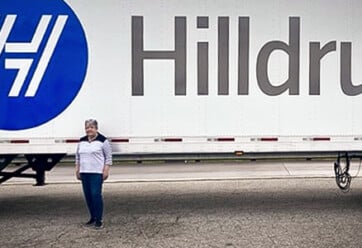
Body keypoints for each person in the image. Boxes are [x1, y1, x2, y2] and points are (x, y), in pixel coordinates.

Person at [75, 119, 112, 229]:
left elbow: (108, 157)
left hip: (96, 172)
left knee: (96, 195)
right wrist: (77, 169)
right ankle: (92, 217)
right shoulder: (82, 141)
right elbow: (77, 156)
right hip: (84, 171)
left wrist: (106, 170)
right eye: (87, 127)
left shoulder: (103, 141)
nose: (89, 130)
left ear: (96, 128)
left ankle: (99, 219)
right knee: (88, 196)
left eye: (91, 127)